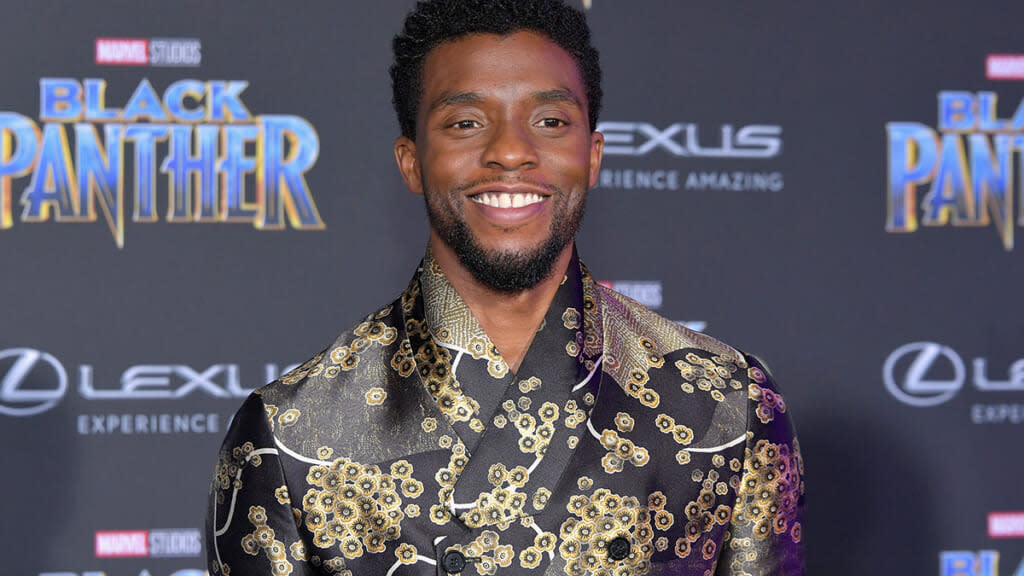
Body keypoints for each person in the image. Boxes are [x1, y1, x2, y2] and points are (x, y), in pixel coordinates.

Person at [205, 1, 805, 574]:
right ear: (411, 161)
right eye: (466, 123)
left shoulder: (725, 402)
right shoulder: (289, 433)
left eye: (549, 121)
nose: (512, 152)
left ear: (592, 155)